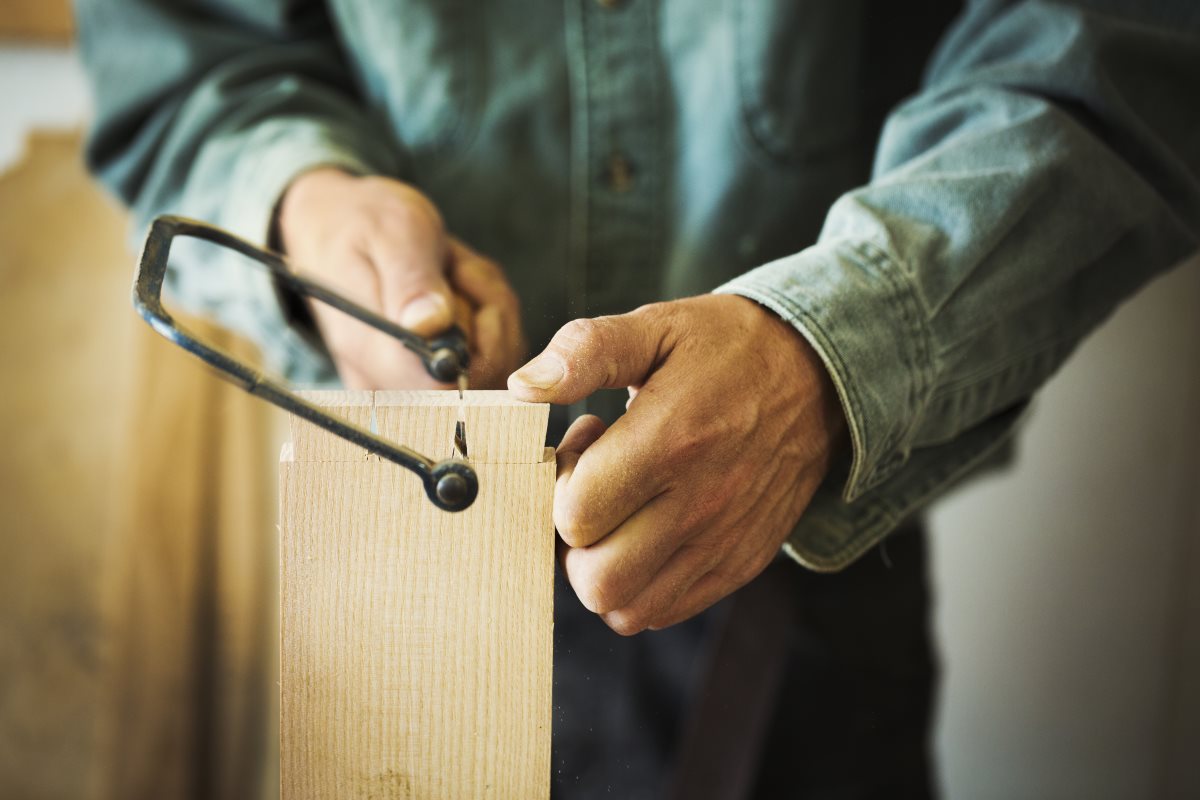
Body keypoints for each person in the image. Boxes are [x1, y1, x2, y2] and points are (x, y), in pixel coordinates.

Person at [76, 1, 1200, 797]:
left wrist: (830, 345)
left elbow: (1121, 37)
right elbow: (183, 49)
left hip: (810, 555)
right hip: (408, 582)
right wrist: (306, 200)